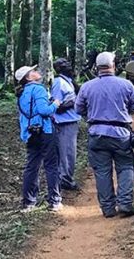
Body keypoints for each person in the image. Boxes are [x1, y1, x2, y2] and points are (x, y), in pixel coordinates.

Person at [75, 51, 134, 218]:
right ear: (113, 65)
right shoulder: (126, 84)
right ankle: (125, 203)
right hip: (121, 133)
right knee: (125, 166)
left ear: (97, 67)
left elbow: (78, 109)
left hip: (96, 134)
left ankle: (107, 208)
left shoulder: (86, 86)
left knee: (102, 171)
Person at [17, 65, 62, 212]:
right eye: (33, 71)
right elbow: (44, 110)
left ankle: (29, 202)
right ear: (29, 77)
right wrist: (55, 104)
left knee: (32, 166)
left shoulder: (22, 92)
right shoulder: (39, 89)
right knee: (51, 165)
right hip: (45, 130)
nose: (37, 72)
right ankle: (54, 201)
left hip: (30, 133)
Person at [51, 57, 82, 191]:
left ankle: (66, 178)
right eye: (63, 64)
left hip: (72, 121)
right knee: (66, 153)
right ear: (57, 68)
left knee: (70, 153)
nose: (67, 65)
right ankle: (65, 180)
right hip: (63, 123)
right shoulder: (58, 83)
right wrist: (74, 102)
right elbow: (56, 105)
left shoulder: (69, 81)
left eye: (68, 62)